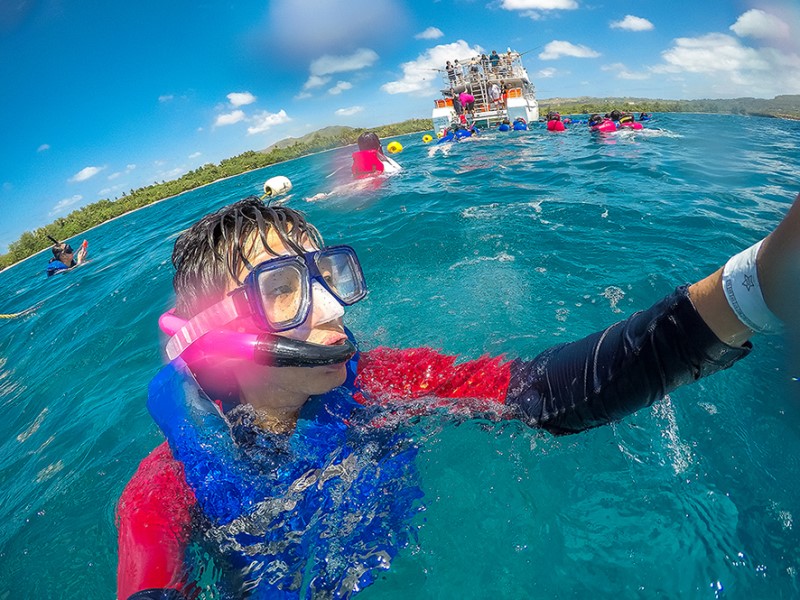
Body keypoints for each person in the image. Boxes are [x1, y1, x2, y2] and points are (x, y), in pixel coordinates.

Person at [117, 192, 800, 599]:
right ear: (216, 340)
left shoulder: (382, 383)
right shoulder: (163, 492)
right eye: (285, 288)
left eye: (329, 274)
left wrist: (756, 291)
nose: (330, 307)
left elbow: (543, 390)